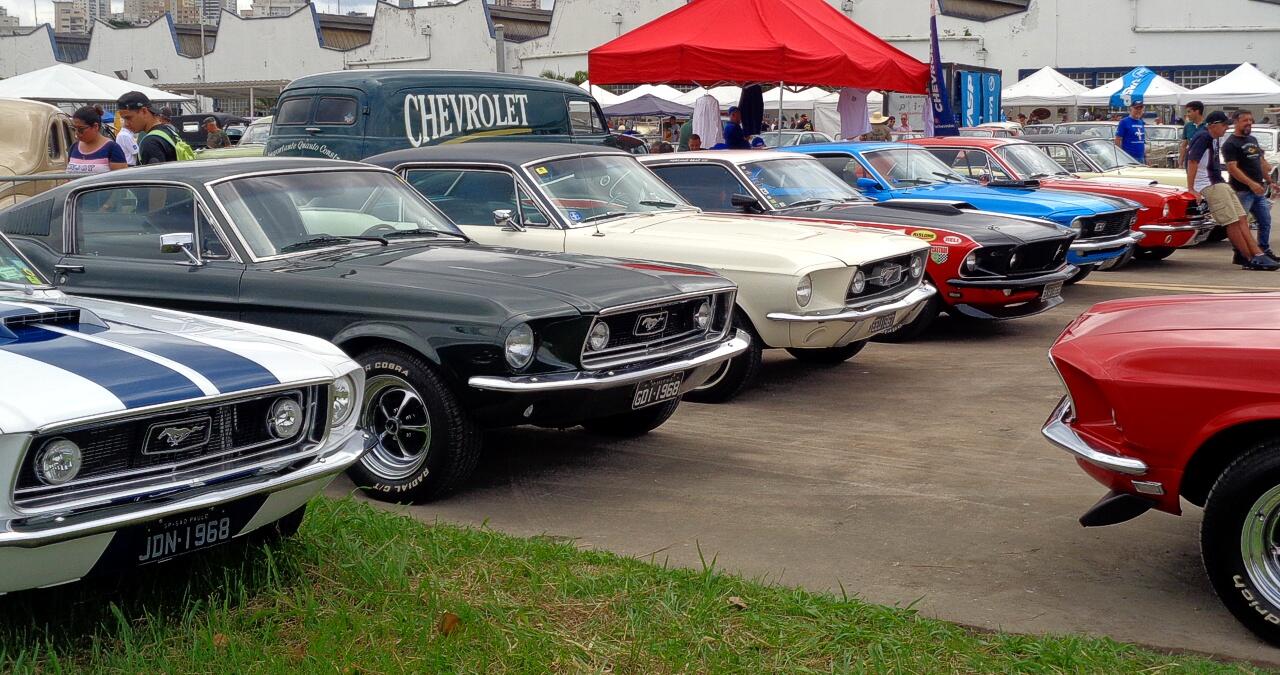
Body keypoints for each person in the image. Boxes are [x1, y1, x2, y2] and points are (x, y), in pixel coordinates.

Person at [1187, 111, 1277, 270]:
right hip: (1210, 184)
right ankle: (1251, 257)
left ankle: (1257, 254)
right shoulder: (1203, 137)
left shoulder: (1214, 138)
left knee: (1242, 218)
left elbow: (1261, 161)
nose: (1226, 128)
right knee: (1233, 221)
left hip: (1219, 182)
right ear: (1213, 125)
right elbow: (1192, 161)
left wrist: (1269, 179)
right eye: (1223, 125)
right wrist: (1192, 188)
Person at [1223, 110, 1275, 257]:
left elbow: (1260, 161)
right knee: (1240, 224)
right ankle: (1240, 253)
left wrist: (1270, 181)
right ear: (1236, 122)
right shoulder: (1230, 144)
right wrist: (1251, 184)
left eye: (1251, 120)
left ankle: (1264, 250)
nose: (1249, 123)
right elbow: (1232, 168)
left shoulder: (1252, 139)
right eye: (1245, 120)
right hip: (1242, 191)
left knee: (1265, 221)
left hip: (1258, 191)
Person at [116, 91, 181, 164]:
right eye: (123, 119)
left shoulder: (150, 143)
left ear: (144, 111)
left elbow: (154, 175)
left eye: (128, 118)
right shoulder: (168, 131)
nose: (126, 124)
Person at [66, 106, 127, 174]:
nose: (76, 133)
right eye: (73, 128)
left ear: (95, 126)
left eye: (81, 129)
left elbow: (120, 179)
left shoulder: (112, 148)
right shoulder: (74, 147)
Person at [1179, 100, 1205, 168]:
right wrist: (1180, 163)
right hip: (1190, 161)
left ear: (1197, 111)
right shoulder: (1187, 126)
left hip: (1205, 163)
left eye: (1189, 112)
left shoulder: (1208, 126)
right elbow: (1184, 146)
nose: (1187, 114)